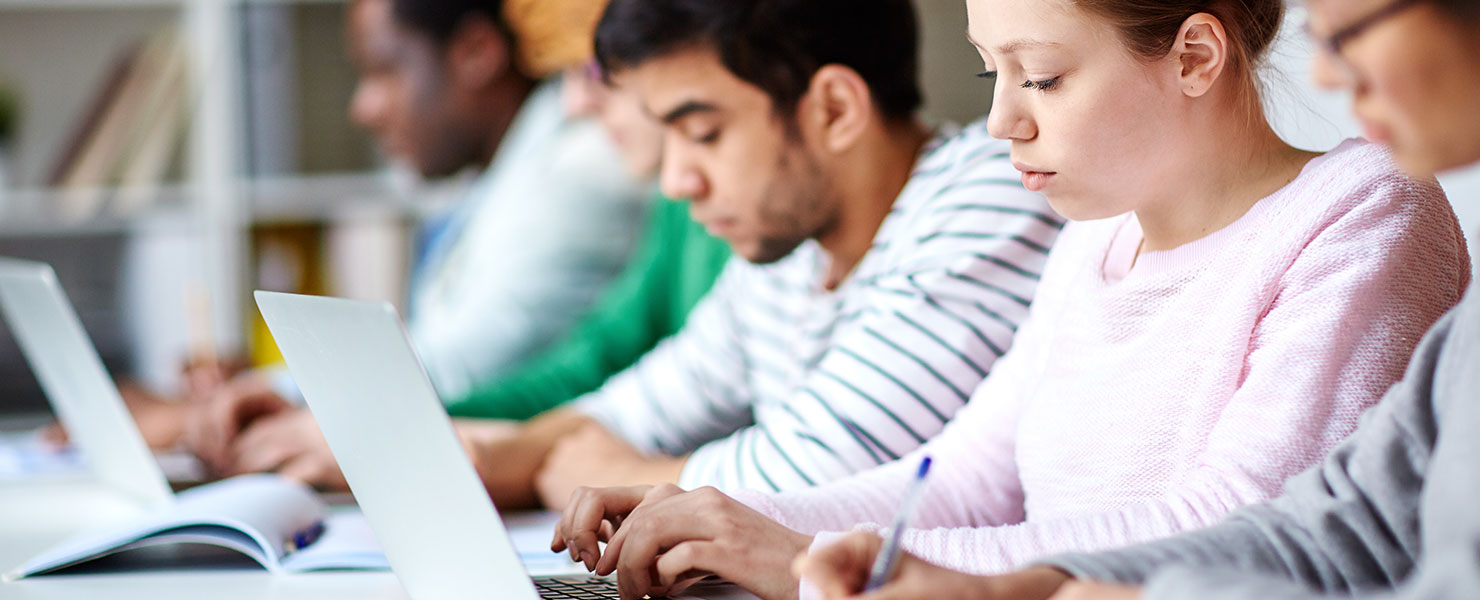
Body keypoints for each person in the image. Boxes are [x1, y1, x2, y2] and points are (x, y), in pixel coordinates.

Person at [547, 0, 1474, 598]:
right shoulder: (1094, 234)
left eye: (1042, 77)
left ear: (1196, 54)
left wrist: (828, 565)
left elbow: (1233, 525)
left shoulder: (1359, 215)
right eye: (995, 72)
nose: (1001, 121)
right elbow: (960, 480)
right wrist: (727, 514)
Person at [457, 0, 1062, 510]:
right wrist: (485, 458)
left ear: (834, 110)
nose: (675, 180)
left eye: (702, 134)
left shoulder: (987, 195)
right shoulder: (792, 252)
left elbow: (813, 475)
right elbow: (641, 405)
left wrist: (613, 477)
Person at [178, 0, 652, 481]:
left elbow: (469, 364)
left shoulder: (580, 166)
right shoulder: (494, 176)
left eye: (384, 70)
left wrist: (293, 396)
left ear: (475, 52)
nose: (362, 108)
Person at [442, 0, 733, 421]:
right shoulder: (674, 207)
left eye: (598, 71)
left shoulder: (743, 215)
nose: (575, 105)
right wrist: (435, 421)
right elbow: (597, 359)